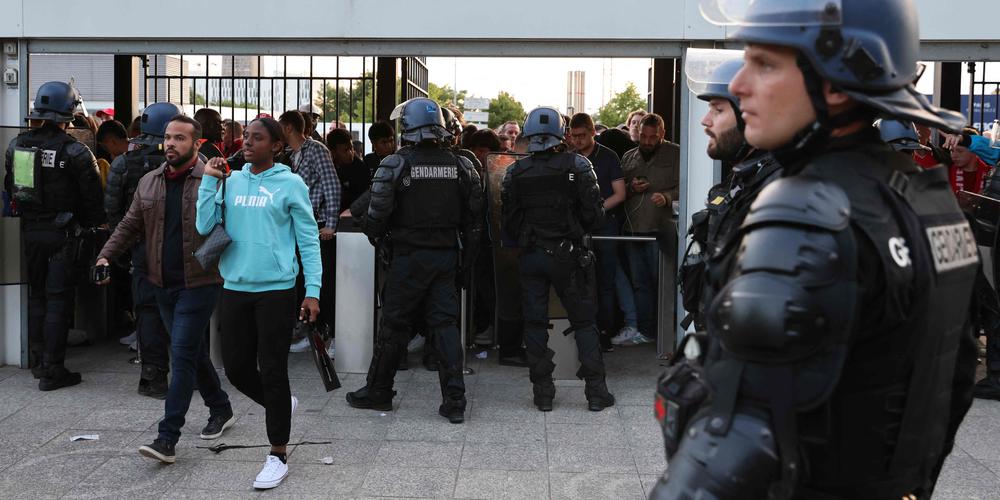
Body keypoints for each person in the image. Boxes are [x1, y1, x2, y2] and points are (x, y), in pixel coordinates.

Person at [651, 0, 977, 497]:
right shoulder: (924, 195)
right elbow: (951, 378)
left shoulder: (807, 210)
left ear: (834, 82)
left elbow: (738, 438)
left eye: (764, 64)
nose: (739, 85)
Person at [95, 115, 235, 464]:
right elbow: (129, 224)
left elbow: (233, 222)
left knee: (182, 354)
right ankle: (221, 406)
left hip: (199, 283)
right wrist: (104, 256)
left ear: (197, 144)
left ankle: (166, 437)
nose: (170, 144)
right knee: (190, 352)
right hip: (161, 282)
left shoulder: (214, 178)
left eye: (180, 139)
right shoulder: (149, 182)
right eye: (168, 138)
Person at [196, 116, 321, 490]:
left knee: (272, 368)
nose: (247, 143)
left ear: (277, 146)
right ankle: (281, 405)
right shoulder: (230, 181)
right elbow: (204, 227)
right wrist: (207, 180)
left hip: (277, 290)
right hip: (235, 286)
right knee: (235, 369)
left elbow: (309, 240)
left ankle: (277, 454)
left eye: (257, 138)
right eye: (245, 137)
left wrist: (312, 290)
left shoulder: (291, 184)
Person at [345, 97, 483, 424]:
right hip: (446, 257)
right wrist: (466, 264)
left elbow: (375, 218)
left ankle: (378, 390)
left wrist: (381, 240)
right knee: (445, 327)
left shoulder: (395, 164)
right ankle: (455, 401)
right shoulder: (462, 165)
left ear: (406, 126)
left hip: (407, 258)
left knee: (393, 326)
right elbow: (475, 221)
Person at [501, 106, 615, 412]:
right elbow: (595, 216)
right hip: (570, 255)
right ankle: (596, 393)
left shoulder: (516, 171)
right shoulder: (579, 165)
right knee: (584, 323)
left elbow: (509, 221)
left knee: (535, 324)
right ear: (559, 133)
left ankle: (543, 394)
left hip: (533, 256)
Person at [4, 81, 105, 390]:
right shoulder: (76, 151)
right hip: (65, 234)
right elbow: (92, 201)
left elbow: (12, 189)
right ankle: (53, 369)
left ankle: (37, 361)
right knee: (59, 298)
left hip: (31, 229)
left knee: (37, 295)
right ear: (69, 114)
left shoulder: (18, 146)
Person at [677, 49, 781, 332]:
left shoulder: (779, 190)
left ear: (751, 116)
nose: (705, 120)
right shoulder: (743, 181)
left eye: (718, 110)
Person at [105, 102, 180, 399]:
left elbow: (113, 211)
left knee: (148, 313)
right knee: (185, 313)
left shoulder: (124, 163)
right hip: (179, 250)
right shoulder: (188, 160)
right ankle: (195, 374)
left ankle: (153, 377)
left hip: (141, 250)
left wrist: (119, 247)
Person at [279, 110, 341, 352]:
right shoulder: (290, 155)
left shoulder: (315, 150)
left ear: (289, 128)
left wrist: (331, 224)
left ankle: (330, 333)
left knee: (321, 283)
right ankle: (309, 331)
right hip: (296, 226)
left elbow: (331, 185)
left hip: (316, 226)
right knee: (302, 280)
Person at [566, 113, 628, 350]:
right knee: (578, 283)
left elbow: (620, 194)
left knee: (605, 282)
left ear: (593, 132)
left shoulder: (608, 156)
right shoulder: (569, 158)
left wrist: (595, 210)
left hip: (605, 225)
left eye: (582, 135)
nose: (578, 140)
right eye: (574, 136)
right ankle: (581, 334)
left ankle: (604, 333)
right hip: (576, 227)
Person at [620, 113, 679, 346]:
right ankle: (645, 331)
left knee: (665, 284)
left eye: (652, 137)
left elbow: (686, 184)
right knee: (640, 285)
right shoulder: (629, 156)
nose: (646, 141)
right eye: (643, 136)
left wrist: (666, 196)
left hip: (661, 230)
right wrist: (631, 187)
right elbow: (618, 189)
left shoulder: (675, 153)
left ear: (662, 134)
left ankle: (671, 332)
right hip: (633, 230)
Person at [327, 128, 369, 210]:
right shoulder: (328, 166)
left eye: (351, 148)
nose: (350, 153)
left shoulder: (360, 168)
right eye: (345, 150)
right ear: (333, 152)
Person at [941, 128, 990, 194]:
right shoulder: (945, 172)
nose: (953, 156)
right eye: (952, 151)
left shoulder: (990, 173)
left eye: (959, 151)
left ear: (974, 151)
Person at [95, 119, 129, 188]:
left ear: (112, 141)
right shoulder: (140, 152)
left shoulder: (121, 162)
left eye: (105, 147)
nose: (107, 152)